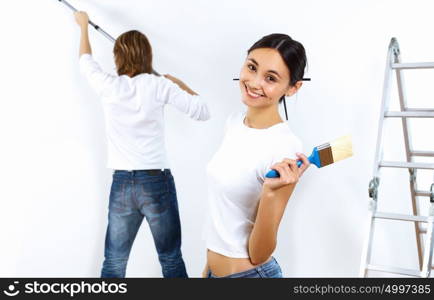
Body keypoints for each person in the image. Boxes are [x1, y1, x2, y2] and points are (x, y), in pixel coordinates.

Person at [74, 11, 210, 278]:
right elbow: (203, 111)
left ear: (118, 57)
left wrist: (83, 27)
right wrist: (179, 84)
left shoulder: (109, 87)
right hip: (156, 182)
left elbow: (85, 62)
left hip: (122, 184)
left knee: (113, 262)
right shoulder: (160, 86)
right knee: (171, 259)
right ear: (147, 56)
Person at [203, 33, 310, 278]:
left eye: (270, 78)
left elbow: (259, 254)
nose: (254, 82)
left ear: (293, 88)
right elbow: (222, 216)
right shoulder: (234, 123)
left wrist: (272, 194)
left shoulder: (284, 146)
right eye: (252, 67)